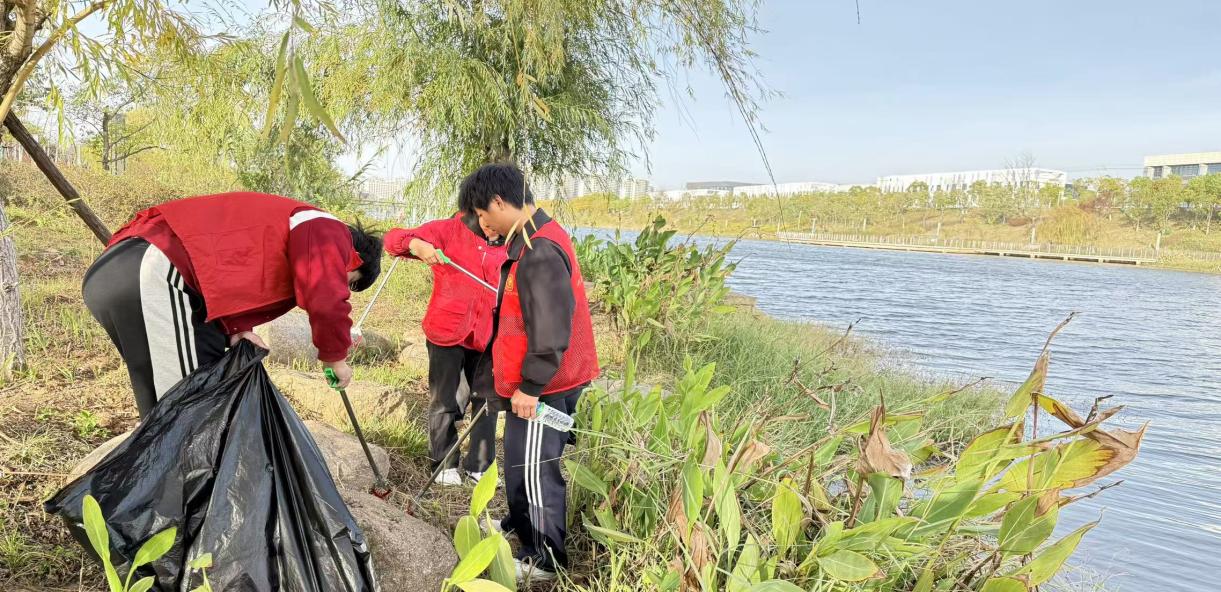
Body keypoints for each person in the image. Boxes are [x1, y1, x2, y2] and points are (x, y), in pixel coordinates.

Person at [82, 191, 382, 417]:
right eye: (349, 280)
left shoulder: (289, 224)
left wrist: (236, 329)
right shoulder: (326, 228)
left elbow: (230, 265)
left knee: (167, 413)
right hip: (155, 270)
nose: (341, 283)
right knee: (191, 415)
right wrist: (335, 359)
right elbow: (325, 297)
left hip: (123, 271)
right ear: (356, 259)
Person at [460, 163, 599, 582]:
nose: (483, 226)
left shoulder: (540, 251)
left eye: (483, 215)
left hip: (547, 386)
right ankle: (521, 525)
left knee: (537, 469)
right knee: (520, 460)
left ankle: (545, 558)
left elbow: (551, 330)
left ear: (499, 202)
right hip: (535, 383)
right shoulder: (531, 239)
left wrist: (532, 386)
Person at [383, 209, 507, 486]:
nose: (494, 229)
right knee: (444, 398)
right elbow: (392, 240)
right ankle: (444, 463)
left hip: (488, 333)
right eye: (489, 221)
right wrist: (417, 244)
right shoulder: (449, 230)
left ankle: (480, 466)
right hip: (446, 330)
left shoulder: (513, 238)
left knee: (487, 400)